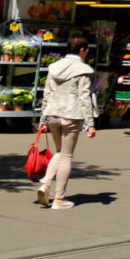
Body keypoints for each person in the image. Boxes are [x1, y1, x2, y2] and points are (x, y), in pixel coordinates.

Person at [35, 33, 99, 210]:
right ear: (82, 50)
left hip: (52, 113)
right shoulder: (83, 69)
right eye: (86, 51)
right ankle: (59, 199)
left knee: (59, 151)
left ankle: (46, 184)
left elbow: (47, 94)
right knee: (66, 156)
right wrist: (90, 124)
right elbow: (84, 97)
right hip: (72, 114)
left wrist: (42, 119)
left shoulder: (54, 67)